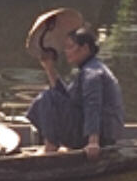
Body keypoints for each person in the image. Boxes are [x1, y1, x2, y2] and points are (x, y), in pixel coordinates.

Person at [26, 23, 124, 158]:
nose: (66, 51)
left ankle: (51, 146)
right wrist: (49, 68)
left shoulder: (92, 73)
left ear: (84, 48)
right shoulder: (88, 69)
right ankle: (54, 143)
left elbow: (93, 106)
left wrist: (93, 142)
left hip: (103, 137)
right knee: (49, 98)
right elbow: (66, 98)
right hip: (93, 131)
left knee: (47, 97)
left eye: (70, 47)